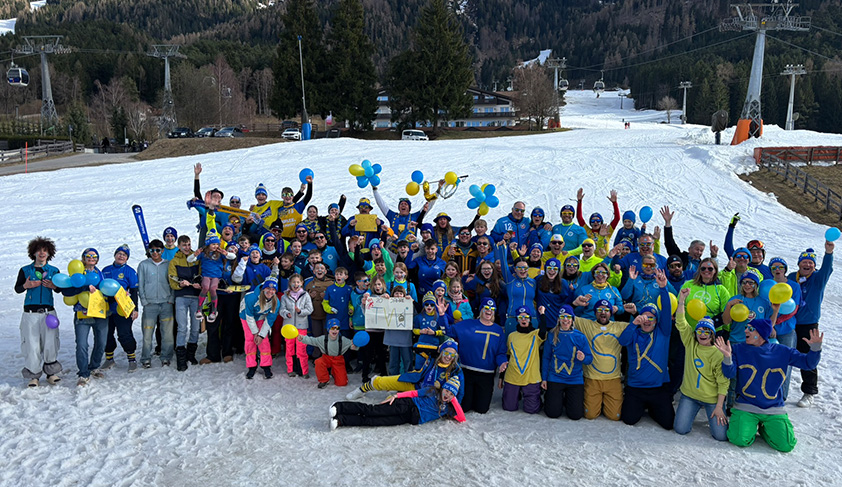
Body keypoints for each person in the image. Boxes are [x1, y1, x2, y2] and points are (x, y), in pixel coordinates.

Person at [715, 320, 823, 452]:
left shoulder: (782, 351)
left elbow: (808, 364)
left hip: (773, 408)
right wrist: (727, 357)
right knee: (738, 439)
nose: (745, 331)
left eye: (750, 328)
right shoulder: (738, 349)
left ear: (761, 333)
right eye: (746, 327)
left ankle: (764, 427)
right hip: (746, 405)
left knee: (786, 445)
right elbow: (729, 373)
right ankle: (751, 424)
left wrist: (815, 349)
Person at [617, 273, 674, 430]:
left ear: (656, 320)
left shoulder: (663, 333)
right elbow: (622, 341)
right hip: (636, 387)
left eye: (651, 318)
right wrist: (633, 323)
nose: (647, 321)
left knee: (668, 423)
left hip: (658, 387)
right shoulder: (634, 332)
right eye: (645, 317)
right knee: (629, 419)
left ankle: (653, 408)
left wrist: (663, 288)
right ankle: (642, 406)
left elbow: (667, 310)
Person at [672, 289, 729, 441]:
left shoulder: (717, 353)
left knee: (721, 436)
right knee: (680, 429)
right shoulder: (690, 343)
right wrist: (682, 300)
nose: (702, 334)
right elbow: (681, 323)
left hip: (711, 399)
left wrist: (718, 406)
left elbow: (723, 381)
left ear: (712, 334)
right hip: (690, 396)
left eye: (707, 331)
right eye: (699, 330)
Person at [788, 242, 834, 408]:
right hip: (789, 323)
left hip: (808, 325)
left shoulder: (818, 279)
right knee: (783, 355)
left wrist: (828, 253)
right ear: (799, 263)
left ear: (814, 266)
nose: (807, 264)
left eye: (811, 263)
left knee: (808, 356)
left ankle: (809, 392)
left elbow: (827, 269)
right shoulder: (792, 277)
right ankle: (778, 387)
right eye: (804, 262)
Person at [347, 339, 464, 403]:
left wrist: (455, 406)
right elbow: (417, 346)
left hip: (427, 395)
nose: (448, 356)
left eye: (452, 354)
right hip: (414, 384)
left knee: (392, 402)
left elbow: (460, 390)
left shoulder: (456, 369)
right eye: (446, 352)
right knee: (381, 381)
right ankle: (361, 390)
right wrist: (437, 348)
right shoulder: (433, 358)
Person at [444, 297, 508, 414]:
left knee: (482, 409)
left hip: (486, 375)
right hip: (467, 372)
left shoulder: (498, 330)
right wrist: (443, 314)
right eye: (486, 308)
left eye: (492, 309)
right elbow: (448, 331)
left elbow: (500, 352)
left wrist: (502, 362)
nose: (489, 311)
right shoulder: (467, 324)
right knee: (465, 407)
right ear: (481, 309)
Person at [330, 377, 465, 430]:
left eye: (451, 394)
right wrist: (396, 396)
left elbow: (461, 418)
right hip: (407, 404)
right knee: (372, 410)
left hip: (411, 418)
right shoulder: (432, 391)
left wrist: (453, 400)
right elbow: (413, 393)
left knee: (374, 422)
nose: (447, 395)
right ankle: (339, 407)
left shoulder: (448, 408)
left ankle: (342, 420)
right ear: (442, 388)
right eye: (447, 391)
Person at [15, 237, 62, 387]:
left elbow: (61, 289)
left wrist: (54, 286)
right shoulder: (25, 270)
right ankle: (33, 375)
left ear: (49, 253)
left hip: (49, 313)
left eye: (45, 251)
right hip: (30, 314)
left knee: (50, 343)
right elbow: (17, 288)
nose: (42, 253)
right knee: (31, 344)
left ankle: (51, 373)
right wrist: (26, 285)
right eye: (39, 250)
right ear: (33, 253)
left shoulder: (54, 271)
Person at [575, 299, 630, 421]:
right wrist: (574, 303)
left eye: (606, 310)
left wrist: (635, 313)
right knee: (590, 415)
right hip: (592, 379)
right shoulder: (587, 325)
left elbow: (639, 325)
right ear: (595, 313)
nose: (603, 313)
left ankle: (606, 402)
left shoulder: (619, 326)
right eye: (599, 310)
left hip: (613, 379)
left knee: (615, 416)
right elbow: (566, 316)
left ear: (611, 313)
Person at [63, 248, 108, 386]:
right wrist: (84, 288)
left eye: (94, 256)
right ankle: (83, 373)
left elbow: (108, 289)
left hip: (100, 313)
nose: (91, 258)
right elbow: (67, 290)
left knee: (101, 342)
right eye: (88, 256)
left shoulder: (101, 273)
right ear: (83, 258)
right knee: (82, 344)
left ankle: (94, 366)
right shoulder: (78, 273)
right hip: (82, 314)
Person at [542, 305, 593, 420]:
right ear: (558, 319)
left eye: (568, 317)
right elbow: (546, 357)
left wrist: (583, 357)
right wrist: (544, 378)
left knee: (575, 415)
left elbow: (589, 359)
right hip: (555, 377)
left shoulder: (580, 337)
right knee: (552, 413)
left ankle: (565, 399)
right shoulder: (552, 335)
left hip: (574, 379)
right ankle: (555, 398)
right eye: (562, 316)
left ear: (572, 319)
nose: (565, 319)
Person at [501, 306, 546, 414]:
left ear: (530, 319)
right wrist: (501, 377)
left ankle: (535, 397)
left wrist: (542, 314)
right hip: (513, 376)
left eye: (526, 317)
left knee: (531, 410)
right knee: (509, 407)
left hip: (530, 376)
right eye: (520, 317)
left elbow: (544, 329)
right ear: (517, 320)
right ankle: (516, 394)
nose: (523, 320)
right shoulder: (511, 336)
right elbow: (507, 356)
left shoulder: (535, 335)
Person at [101, 244, 139, 373]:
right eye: (119, 253)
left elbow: (134, 291)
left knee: (124, 334)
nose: (121, 256)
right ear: (115, 255)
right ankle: (109, 358)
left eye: (124, 255)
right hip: (107, 308)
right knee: (107, 334)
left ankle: (132, 359)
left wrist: (135, 309)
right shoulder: (105, 270)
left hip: (122, 308)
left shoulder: (130, 271)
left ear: (127, 258)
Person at [137, 239, 174, 368]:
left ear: (162, 251)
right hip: (150, 304)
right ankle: (146, 358)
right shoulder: (143, 265)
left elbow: (173, 283)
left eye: (158, 250)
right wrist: (144, 301)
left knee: (167, 333)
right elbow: (140, 284)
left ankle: (166, 357)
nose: (155, 253)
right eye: (152, 250)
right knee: (147, 333)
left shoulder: (168, 264)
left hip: (166, 303)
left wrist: (171, 299)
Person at [167, 235, 203, 371]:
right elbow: (172, 281)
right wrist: (181, 284)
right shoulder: (174, 261)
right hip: (181, 297)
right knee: (182, 327)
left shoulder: (196, 259)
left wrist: (199, 284)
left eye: (188, 245)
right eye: (184, 245)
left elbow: (201, 275)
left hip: (195, 297)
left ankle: (191, 354)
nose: (187, 248)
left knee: (195, 327)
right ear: (179, 246)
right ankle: (181, 357)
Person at [767, 257, 800, 400]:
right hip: (769, 331)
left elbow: (793, 309)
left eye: (780, 267)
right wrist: (769, 327)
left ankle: (782, 396)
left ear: (785, 269)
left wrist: (775, 323)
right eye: (774, 268)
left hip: (786, 330)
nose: (777, 270)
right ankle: (768, 394)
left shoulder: (794, 286)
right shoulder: (767, 285)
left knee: (786, 363)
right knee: (769, 363)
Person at [240, 276, 281, 379]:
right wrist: (255, 333)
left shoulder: (276, 302)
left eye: (273, 290)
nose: (270, 291)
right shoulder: (251, 298)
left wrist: (261, 335)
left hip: (261, 316)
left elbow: (270, 320)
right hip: (246, 316)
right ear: (263, 288)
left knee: (264, 341)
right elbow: (249, 317)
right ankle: (251, 366)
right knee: (250, 340)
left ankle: (266, 365)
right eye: (268, 288)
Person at [297, 319, 356, 388]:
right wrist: (302, 338)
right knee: (319, 362)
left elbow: (351, 344)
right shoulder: (323, 339)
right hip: (326, 358)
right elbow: (312, 340)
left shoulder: (343, 340)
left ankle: (334, 372)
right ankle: (324, 380)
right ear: (328, 329)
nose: (335, 331)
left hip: (338, 361)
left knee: (342, 383)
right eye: (333, 328)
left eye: (337, 328)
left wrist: (355, 345)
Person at [680, 257, 731, 336]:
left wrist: (709, 325)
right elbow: (679, 303)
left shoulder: (721, 290)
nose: (706, 271)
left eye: (710, 269)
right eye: (703, 268)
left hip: (711, 332)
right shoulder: (688, 285)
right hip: (689, 331)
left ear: (715, 271)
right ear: (699, 270)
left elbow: (726, 312)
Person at [659, 206, 714, 275]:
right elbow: (670, 243)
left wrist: (714, 256)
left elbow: (712, 273)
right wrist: (668, 223)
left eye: (701, 250)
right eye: (697, 249)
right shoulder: (680, 257)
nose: (699, 252)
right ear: (689, 249)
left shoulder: (702, 265)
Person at [280, 274, 314, 378]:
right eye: (293, 282)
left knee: (301, 349)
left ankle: (303, 371)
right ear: (290, 283)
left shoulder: (305, 295)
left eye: (298, 282)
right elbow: (281, 310)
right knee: (289, 348)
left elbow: (310, 309)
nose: (296, 284)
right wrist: (286, 313)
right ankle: (291, 369)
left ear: (301, 283)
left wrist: (300, 312)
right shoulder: (284, 296)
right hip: (288, 327)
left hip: (301, 326)